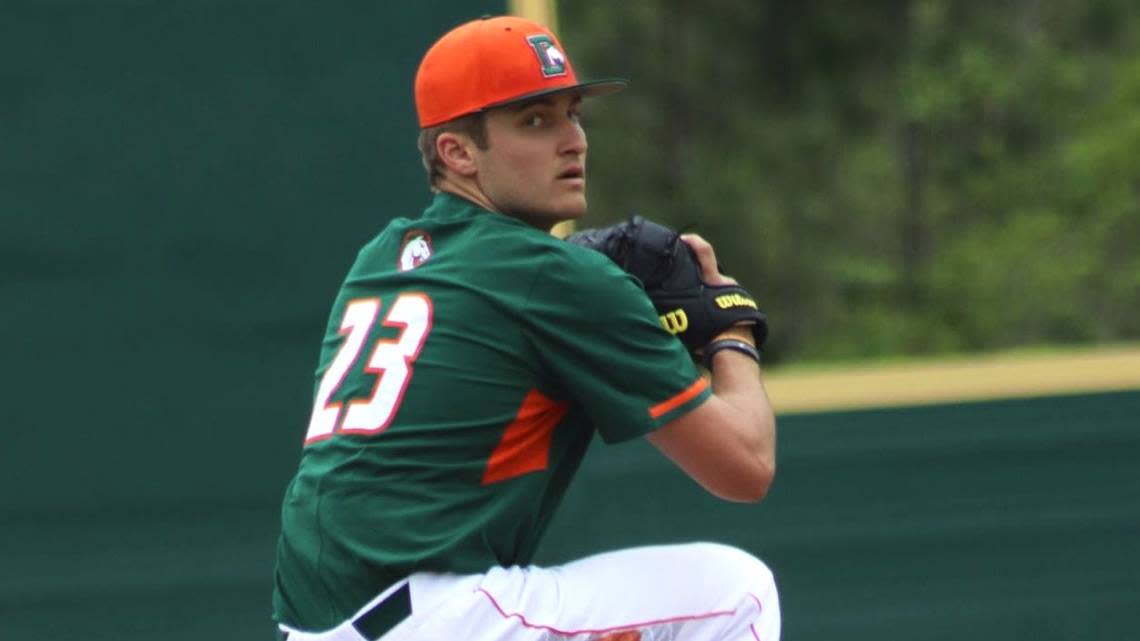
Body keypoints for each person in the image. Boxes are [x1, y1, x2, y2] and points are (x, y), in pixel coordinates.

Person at [272, 15, 780, 641]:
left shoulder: (382, 256)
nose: (573, 140)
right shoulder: (558, 281)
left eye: (573, 113)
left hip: (320, 625)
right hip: (441, 618)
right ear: (457, 152)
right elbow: (745, 467)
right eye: (535, 120)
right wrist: (731, 330)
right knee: (738, 591)